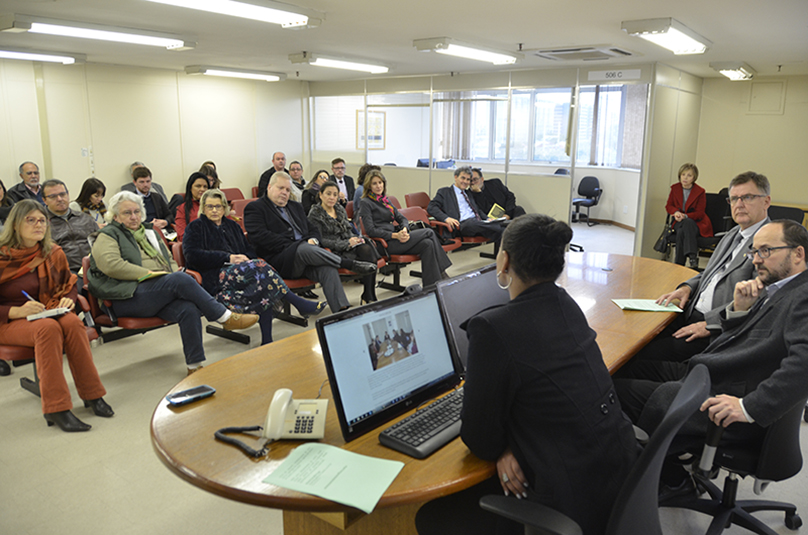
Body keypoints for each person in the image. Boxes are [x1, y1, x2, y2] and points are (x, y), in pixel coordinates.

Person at [415, 214, 639, 535]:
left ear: (504, 260)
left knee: (432, 516)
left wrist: (503, 447)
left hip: (564, 500)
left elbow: (479, 439)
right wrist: (508, 446)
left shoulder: (491, 328)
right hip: (614, 477)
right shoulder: (566, 304)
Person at [615, 220, 808, 454]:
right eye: (754, 251)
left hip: (724, 389)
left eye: (765, 250)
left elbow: (803, 363)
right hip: (710, 370)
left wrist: (749, 407)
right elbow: (747, 340)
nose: (756, 259)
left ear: (798, 254)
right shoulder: (777, 288)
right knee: (627, 367)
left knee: (612, 389)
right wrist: (739, 310)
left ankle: (653, 469)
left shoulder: (802, 296)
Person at [88, 191, 258, 375]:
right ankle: (224, 317)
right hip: (124, 296)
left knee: (188, 308)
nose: (134, 216)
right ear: (115, 216)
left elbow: (169, 260)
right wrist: (151, 274)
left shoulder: (149, 232)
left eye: (137, 211)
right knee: (180, 279)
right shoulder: (107, 235)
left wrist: (169, 272)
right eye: (127, 213)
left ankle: (195, 367)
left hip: (153, 292)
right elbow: (112, 265)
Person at [620, 171, 771, 366]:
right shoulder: (733, 233)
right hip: (690, 311)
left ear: (766, 201)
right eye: (734, 199)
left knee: (640, 355)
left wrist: (712, 324)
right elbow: (710, 273)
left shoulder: (771, 244)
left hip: (716, 329)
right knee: (634, 336)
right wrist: (686, 288)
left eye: (747, 197)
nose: (739, 204)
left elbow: (759, 303)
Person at [0, 200, 112, 432]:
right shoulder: (2, 257)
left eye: (42, 220)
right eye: (31, 220)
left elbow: (68, 283)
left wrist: (69, 297)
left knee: (72, 322)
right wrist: (16, 311)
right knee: (48, 329)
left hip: (46, 311)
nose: (38, 225)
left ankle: (92, 395)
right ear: (14, 224)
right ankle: (56, 408)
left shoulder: (52, 251)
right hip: (9, 320)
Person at [183, 189, 325, 345]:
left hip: (244, 272)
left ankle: (267, 341)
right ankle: (298, 303)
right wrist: (228, 257)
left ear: (225, 208)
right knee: (261, 270)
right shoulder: (195, 227)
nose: (215, 210)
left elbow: (249, 250)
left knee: (263, 282)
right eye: (210, 207)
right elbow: (192, 256)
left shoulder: (232, 226)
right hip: (216, 275)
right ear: (203, 208)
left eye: (219, 206)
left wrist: (246, 259)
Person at [244, 172, 377, 313]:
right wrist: (298, 244)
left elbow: (312, 229)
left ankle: (342, 312)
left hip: (306, 256)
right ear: (269, 187)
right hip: (282, 261)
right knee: (303, 248)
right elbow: (261, 237)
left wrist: (313, 240)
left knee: (328, 268)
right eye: (280, 188)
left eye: (288, 190)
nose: (284, 192)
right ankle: (349, 264)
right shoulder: (255, 208)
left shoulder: (295, 206)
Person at [359, 170, 451, 287]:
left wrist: (404, 230)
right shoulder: (365, 203)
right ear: (369, 186)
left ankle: (430, 285)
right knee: (429, 232)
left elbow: (402, 219)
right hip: (385, 244)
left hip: (398, 237)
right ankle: (442, 271)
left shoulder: (385, 200)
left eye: (380, 182)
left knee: (427, 244)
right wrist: (395, 235)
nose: (378, 186)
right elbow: (370, 230)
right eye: (374, 183)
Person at [308, 181, 380, 304]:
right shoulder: (315, 214)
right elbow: (320, 240)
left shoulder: (339, 208)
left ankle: (368, 294)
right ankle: (369, 297)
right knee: (367, 254)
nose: (332, 197)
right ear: (320, 195)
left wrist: (355, 239)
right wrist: (346, 243)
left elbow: (348, 228)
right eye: (328, 194)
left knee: (367, 249)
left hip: (349, 243)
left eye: (335, 195)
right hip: (335, 250)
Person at [428, 165, 507, 248]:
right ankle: (498, 225)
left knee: (502, 231)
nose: (465, 181)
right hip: (462, 224)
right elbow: (431, 207)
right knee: (479, 224)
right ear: (456, 177)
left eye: (468, 179)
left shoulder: (468, 193)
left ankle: (502, 258)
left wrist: (487, 219)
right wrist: (446, 218)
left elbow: (477, 210)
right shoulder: (445, 192)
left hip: (477, 223)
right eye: (463, 178)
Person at [41, 179, 98, 274]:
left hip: (94, 267)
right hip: (63, 271)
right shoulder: (41, 223)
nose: (59, 199)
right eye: (53, 196)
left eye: (63, 194)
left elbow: (101, 242)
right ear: (44, 200)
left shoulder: (85, 218)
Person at [665, 163, 713, 268]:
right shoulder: (675, 188)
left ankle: (679, 264)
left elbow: (700, 213)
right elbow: (669, 206)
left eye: (689, 175)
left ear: (694, 177)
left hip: (696, 223)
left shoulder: (700, 192)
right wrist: (676, 213)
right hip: (678, 221)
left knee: (684, 228)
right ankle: (692, 257)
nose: (685, 178)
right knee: (683, 227)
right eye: (683, 174)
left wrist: (685, 216)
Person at [128, 166, 174, 232]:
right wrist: (149, 225)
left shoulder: (157, 197)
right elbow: (129, 222)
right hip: (142, 232)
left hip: (162, 230)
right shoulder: (130, 200)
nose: (145, 185)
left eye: (148, 181)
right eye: (141, 182)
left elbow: (169, 215)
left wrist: (165, 221)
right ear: (135, 182)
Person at [175, 172, 209, 241]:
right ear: (190, 188)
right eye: (198, 186)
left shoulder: (216, 206)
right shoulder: (182, 209)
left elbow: (230, 228)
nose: (202, 189)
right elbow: (183, 236)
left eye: (205, 187)